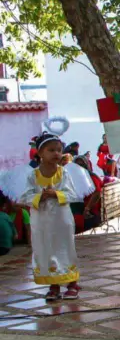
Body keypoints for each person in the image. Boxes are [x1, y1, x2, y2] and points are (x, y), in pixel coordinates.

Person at [0, 117, 95, 301]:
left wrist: (56, 194)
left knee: (64, 247)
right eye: (51, 150)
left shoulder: (64, 173)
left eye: (59, 150)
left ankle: (72, 283)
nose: (56, 154)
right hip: (41, 219)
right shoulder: (32, 176)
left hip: (61, 218)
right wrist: (39, 197)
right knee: (46, 249)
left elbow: (72, 194)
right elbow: (24, 197)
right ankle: (53, 286)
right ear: (40, 153)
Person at [71, 156, 103, 233]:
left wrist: (87, 208)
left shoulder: (91, 177)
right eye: (77, 166)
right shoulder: (76, 178)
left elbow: (97, 193)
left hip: (90, 212)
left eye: (82, 165)